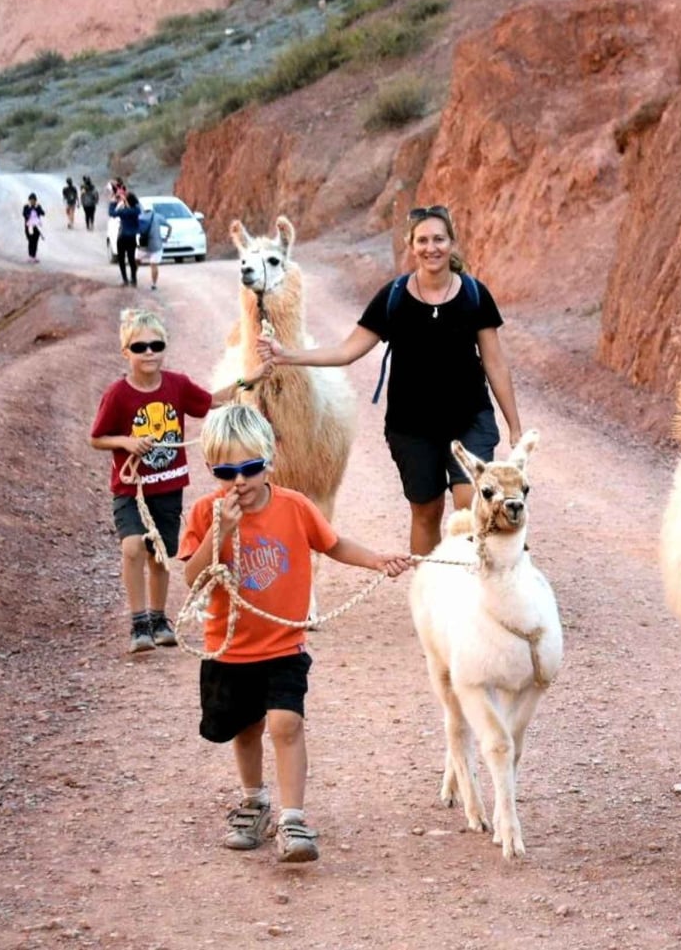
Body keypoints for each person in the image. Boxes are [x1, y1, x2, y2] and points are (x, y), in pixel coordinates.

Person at [179, 404, 412, 863]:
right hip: (229, 650)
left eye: (250, 468)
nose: (240, 481)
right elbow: (192, 577)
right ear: (211, 470)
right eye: (227, 471)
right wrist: (220, 533)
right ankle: (254, 802)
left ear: (269, 461)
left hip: (284, 644)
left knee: (286, 724)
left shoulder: (294, 506)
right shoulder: (207, 513)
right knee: (246, 731)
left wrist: (377, 560)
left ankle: (293, 819)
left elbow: (332, 542)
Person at [257, 204, 523, 555]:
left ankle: (474, 595)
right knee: (426, 514)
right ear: (411, 246)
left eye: (439, 239)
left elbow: (495, 364)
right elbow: (347, 351)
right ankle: (429, 595)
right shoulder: (393, 297)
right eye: (423, 240)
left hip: (470, 419)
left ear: (452, 243)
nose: (432, 248)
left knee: (471, 504)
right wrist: (287, 355)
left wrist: (514, 426)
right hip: (411, 428)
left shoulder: (475, 295)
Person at [89, 309, 273, 654]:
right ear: (125, 351)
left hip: (169, 486)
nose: (148, 352)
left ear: (164, 347)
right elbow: (97, 437)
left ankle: (159, 619)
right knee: (133, 547)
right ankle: (138, 622)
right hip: (133, 488)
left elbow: (212, 400)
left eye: (155, 345)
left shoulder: (177, 385)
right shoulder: (117, 395)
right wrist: (126, 442)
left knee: (160, 555)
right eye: (139, 346)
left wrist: (253, 378)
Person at [110, 192, 142, 286]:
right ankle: (134, 279)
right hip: (132, 238)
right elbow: (136, 206)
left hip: (123, 237)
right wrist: (125, 200)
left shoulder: (124, 211)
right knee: (131, 259)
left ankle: (125, 279)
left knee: (121, 259)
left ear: (127, 201)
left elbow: (112, 213)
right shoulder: (136, 210)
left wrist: (113, 202)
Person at [139, 203, 168, 289]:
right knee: (154, 266)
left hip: (143, 245)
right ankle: (154, 284)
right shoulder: (157, 217)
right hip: (156, 245)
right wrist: (166, 237)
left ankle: (133, 278)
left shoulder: (140, 217)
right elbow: (169, 226)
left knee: (135, 260)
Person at [21, 193, 45, 263]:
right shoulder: (26, 207)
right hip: (28, 227)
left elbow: (43, 213)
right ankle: (30, 256)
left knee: (35, 242)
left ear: (35, 200)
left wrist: (38, 209)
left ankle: (34, 256)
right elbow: (24, 214)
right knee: (30, 241)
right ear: (29, 200)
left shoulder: (38, 206)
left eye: (33, 200)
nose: (32, 201)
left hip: (36, 228)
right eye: (31, 200)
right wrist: (30, 211)